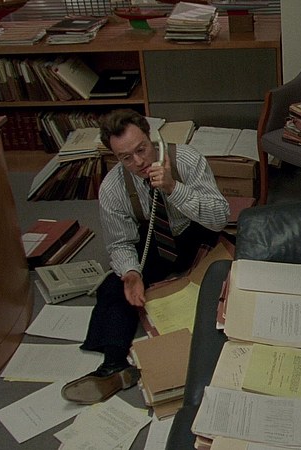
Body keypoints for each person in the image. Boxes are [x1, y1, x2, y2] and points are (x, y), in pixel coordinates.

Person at [61, 109, 229, 404]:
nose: (138, 162)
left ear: (152, 139)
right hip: (155, 242)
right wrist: (131, 273)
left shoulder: (186, 160)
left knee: (229, 281)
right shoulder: (113, 188)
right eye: (126, 157)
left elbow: (219, 217)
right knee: (114, 289)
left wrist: (173, 188)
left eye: (142, 149)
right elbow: (120, 243)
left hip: (196, 232)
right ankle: (114, 366)